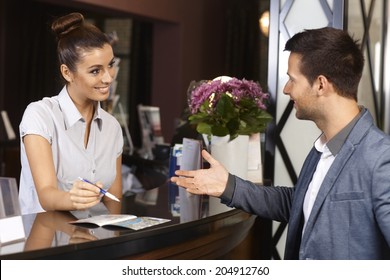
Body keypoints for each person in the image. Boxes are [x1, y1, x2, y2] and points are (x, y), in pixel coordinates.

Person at [171, 27, 390, 260]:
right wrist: (228, 186)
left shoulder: (381, 159)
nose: (286, 89)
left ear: (321, 85)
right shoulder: (324, 147)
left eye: (292, 79)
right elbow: (299, 204)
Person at [19, 12, 124, 215]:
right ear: (67, 72)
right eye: (95, 71)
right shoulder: (39, 115)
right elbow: (46, 195)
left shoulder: (112, 127)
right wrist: (72, 198)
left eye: (110, 65)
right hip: (47, 240)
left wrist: (115, 239)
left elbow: (114, 196)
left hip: (97, 238)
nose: (108, 78)